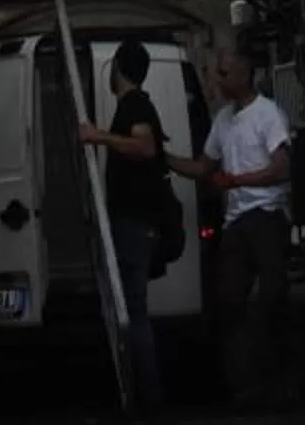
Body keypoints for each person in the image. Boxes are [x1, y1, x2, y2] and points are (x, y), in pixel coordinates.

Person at [170, 40, 294, 412]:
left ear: (244, 74)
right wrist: (162, 158)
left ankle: (279, 381)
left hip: (267, 217)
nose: (218, 80)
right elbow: (203, 167)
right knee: (228, 303)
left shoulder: (268, 115)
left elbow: (281, 167)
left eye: (224, 72)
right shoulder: (223, 121)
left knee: (271, 301)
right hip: (236, 222)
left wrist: (237, 182)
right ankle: (246, 386)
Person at [80, 36, 170, 413]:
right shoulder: (132, 106)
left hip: (134, 225)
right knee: (131, 310)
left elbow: (144, 148)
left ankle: (147, 401)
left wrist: (96, 136)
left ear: (118, 67)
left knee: (134, 311)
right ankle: (140, 396)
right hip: (130, 223)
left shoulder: (136, 104)